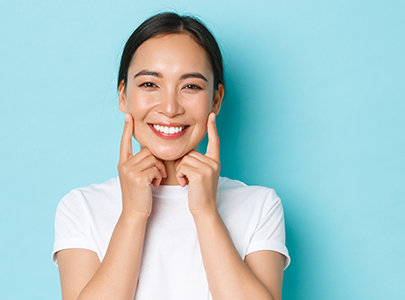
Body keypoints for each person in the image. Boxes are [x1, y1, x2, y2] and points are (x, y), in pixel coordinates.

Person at [52, 12, 289, 300]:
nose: (169, 107)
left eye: (191, 86)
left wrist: (206, 213)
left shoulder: (260, 206)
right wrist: (132, 216)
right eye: (150, 84)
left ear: (216, 98)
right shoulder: (81, 208)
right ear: (123, 95)